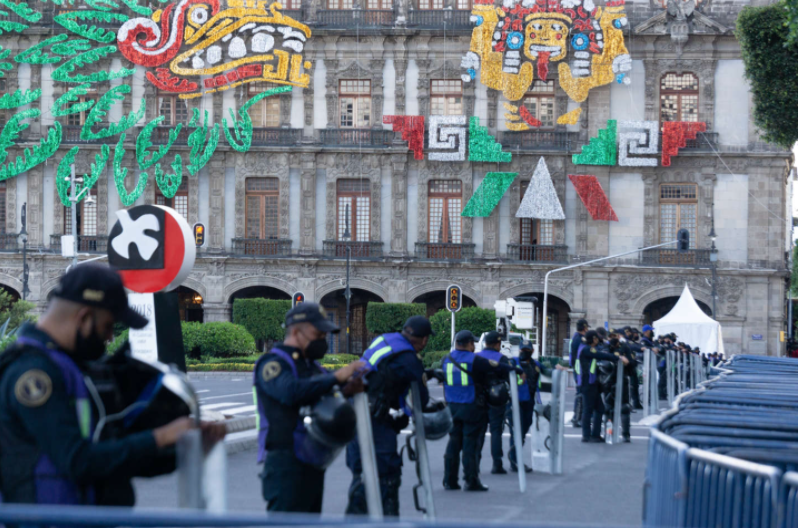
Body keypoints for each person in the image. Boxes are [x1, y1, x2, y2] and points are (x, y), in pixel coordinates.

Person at [0, 264, 226, 506]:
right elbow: (77, 461)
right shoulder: (34, 373)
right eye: (108, 326)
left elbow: (109, 456)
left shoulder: (66, 364)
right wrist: (159, 437)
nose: (110, 337)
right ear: (84, 318)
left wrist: (182, 444)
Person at [256, 302, 364, 513]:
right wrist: (336, 376)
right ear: (296, 331)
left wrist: (346, 389)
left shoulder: (312, 366)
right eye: (318, 334)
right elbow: (291, 391)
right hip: (285, 462)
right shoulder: (273, 362)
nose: (323, 340)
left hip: (312, 457)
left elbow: (319, 397)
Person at [345, 315, 432, 517]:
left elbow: (385, 370)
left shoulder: (385, 339)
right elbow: (422, 399)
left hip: (355, 409)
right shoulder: (409, 358)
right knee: (386, 474)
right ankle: (387, 520)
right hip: (376, 418)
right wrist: (406, 413)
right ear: (424, 339)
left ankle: (354, 521)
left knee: (361, 470)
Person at [442, 330, 522, 492]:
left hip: (452, 407)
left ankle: (449, 480)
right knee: (470, 444)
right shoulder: (475, 360)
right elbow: (499, 367)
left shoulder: (446, 359)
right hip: (471, 406)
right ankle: (471, 480)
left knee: (453, 443)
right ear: (470, 344)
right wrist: (518, 370)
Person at [507, 340, 555, 472]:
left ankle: (515, 460)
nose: (524, 353)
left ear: (532, 351)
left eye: (527, 351)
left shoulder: (536, 364)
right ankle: (515, 462)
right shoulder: (512, 363)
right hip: (514, 402)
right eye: (523, 350)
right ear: (519, 350)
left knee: (522, 432)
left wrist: (557, 369)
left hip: (529, 402)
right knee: (516, 432)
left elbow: (547, 372)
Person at [575, 330, 628, 442]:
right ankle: (587, 435)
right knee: (588, 410)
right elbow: (601, 355)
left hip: (590, 383)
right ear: (593, 339)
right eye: (596, 338)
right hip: (588, 383)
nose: (598, 340)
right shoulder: (587, 349)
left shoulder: (584, 347)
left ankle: (594, 435)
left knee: (599, 409)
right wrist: (617, 357)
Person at [475, 331, 512, 475]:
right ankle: (497, 464)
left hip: (479, 399)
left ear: (485, 343)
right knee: (496, 431)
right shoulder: (502, 358)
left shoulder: (476, 357)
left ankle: (475, 464)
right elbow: (509, 377)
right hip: (496, 399)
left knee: (479, 432)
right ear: (498, 344)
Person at [569, 319, 589, 427]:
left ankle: (578, 417)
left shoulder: (575, 337)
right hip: (580, 369)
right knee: (581, 394)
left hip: (577, 368)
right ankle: (576, 418)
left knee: (581, 393)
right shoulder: (580, 339)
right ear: (585, 328)